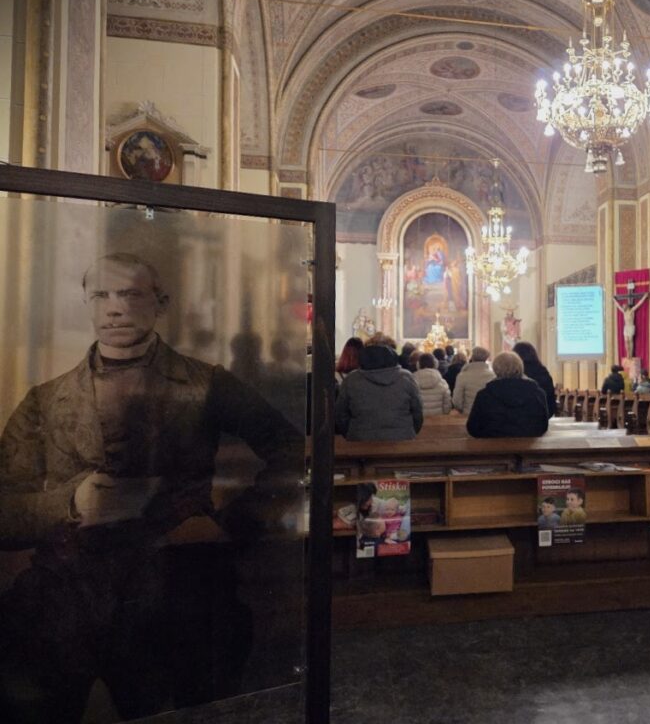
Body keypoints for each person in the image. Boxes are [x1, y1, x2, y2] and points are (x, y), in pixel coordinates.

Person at [0, 252, 302, 723]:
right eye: (101, 295)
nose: (115, 308)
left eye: (131, 294)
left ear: (161, 304)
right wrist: (69, 503)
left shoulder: (204, 384)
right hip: (65, 599)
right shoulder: (46, 399)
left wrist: (235, 522)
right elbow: (5, 511)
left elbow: (288, 445)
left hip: (175, 590)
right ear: (86, 303)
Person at [335, 332, 423, 441]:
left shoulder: (351, 379)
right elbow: (417, 413)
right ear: (392, 352)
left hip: (361, 441)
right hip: (401, 441)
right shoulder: (406, 378)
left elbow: (341, 415)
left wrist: (352, 433)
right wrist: (406, 432)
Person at [466, 352, 549, 438]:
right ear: (520, 367)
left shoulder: (484, 395)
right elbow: (543, 426)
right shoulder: (537, 393)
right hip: (528, 444)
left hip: (493, 444)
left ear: (495, 369)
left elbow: (473, 428)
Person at [512, 341, 556, 418]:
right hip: (542, 414)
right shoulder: (543, 371)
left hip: (519, 417)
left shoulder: (516, 372)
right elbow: (550, 397)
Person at [453, 346, 496, 414]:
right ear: (486, 358)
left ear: (472, 357)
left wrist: (462, 410)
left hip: (468, 413)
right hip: (488, 414)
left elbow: (457, 400)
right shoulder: (493, 376)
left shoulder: (462, 376)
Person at [614, 289, 649, 358]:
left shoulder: (632, 310)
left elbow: (639, 304)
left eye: (624, 306)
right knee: (626, 341)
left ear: (627, 306)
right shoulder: (624, 312)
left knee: (630, 340)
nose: (623, 307)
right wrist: (614, 300)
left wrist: (644, 297)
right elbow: (618, 306)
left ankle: (631, 354)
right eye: (623, 306)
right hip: (626, 327)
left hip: (631, 327)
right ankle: (628, 354)